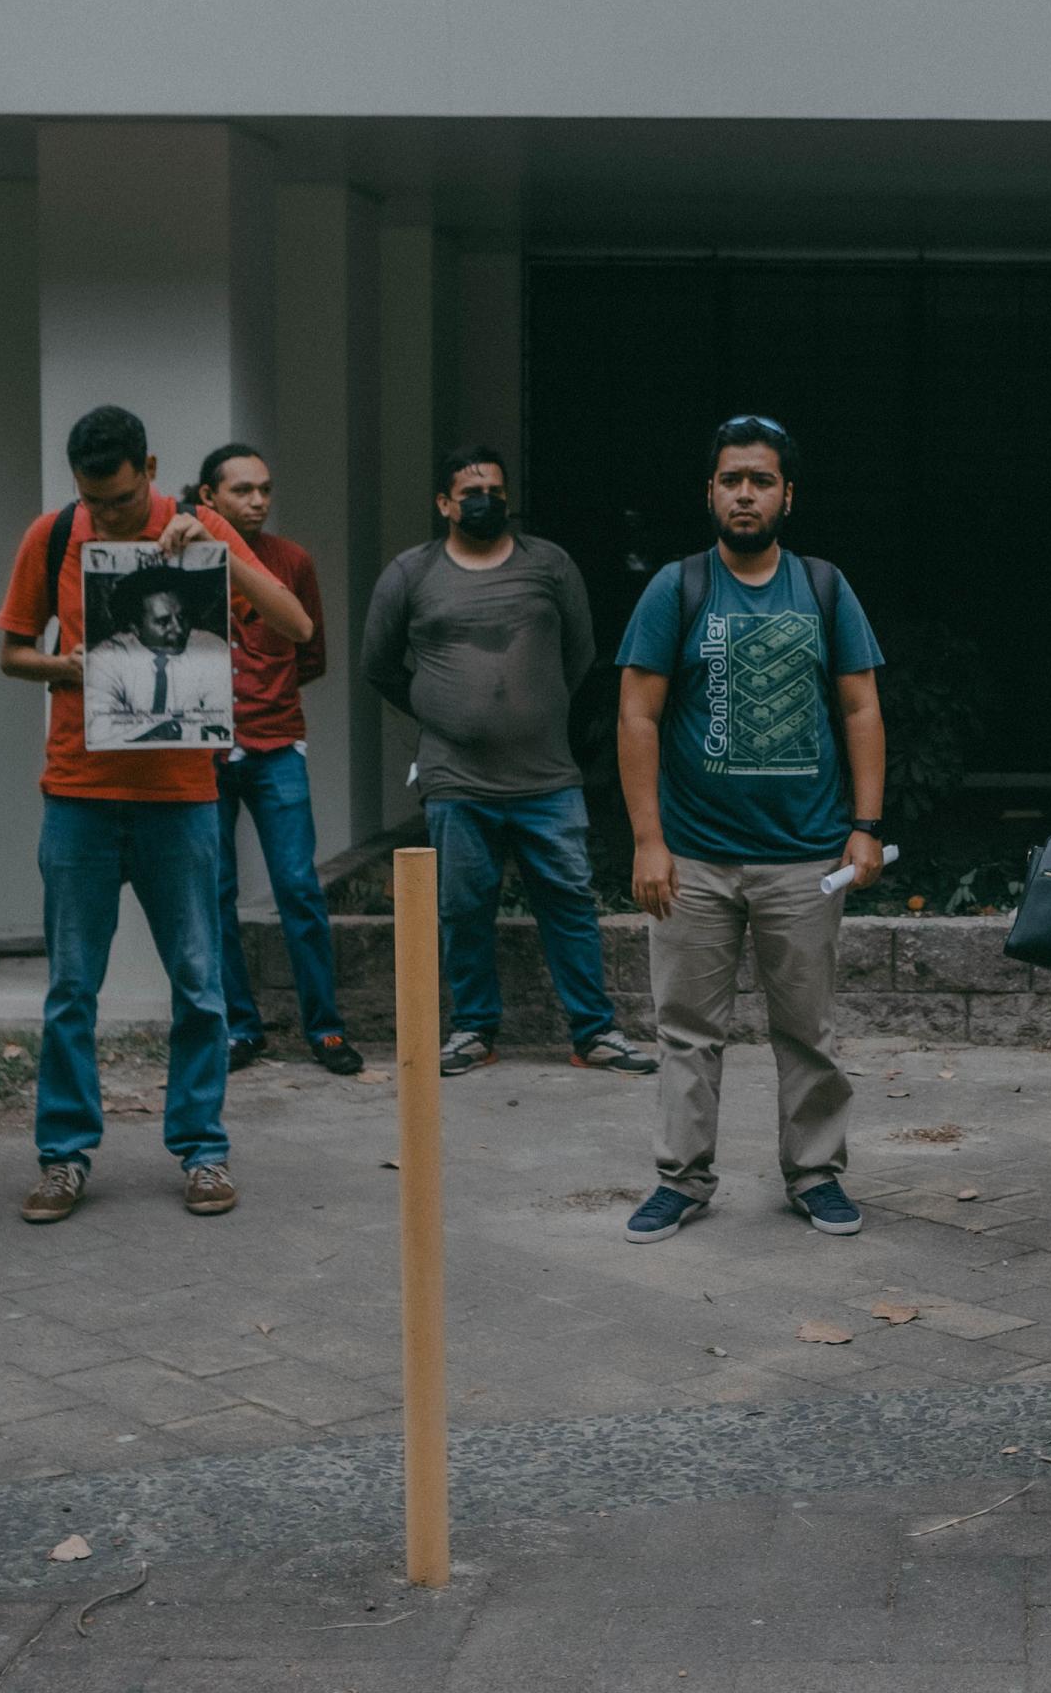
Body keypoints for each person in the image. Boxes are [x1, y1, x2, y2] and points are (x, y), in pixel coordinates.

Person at [0, 405, 312, 1224]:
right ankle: (64, 1157)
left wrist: (212, 554)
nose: (108, 515)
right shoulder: (55, 534)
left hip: (180, 799)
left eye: (124, 501)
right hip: (79, 795)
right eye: (93, 502)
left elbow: (295, 622)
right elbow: (11, 652)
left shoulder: (201, 524)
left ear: (152, 467)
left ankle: (203, 1150)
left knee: (200, 987)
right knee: (72, 988)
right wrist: (60, 666)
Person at [615, 416, 886, 1246]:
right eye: (732, 479)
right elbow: (637, 714)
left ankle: (814, 1175)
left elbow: (861, 706)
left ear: (787, 496)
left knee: (807, 1031)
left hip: (805, 858)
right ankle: (681, 1179)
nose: (745, 493)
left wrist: (866, 825)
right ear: (710, 491)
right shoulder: (677, 586)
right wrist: (648, 840)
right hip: (694, 855)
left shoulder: (826, 587)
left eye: (761, 480)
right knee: (687, 1032)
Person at [361, 445, 653, 1080]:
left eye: (495, 489)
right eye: (471, 491)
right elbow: (378, 665)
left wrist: (530, 706)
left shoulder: (550, 565)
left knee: (570, 901)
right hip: (455, 778)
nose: (486, 500)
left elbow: (581, 652)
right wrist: (439, 705)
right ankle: (473, 1031)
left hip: (546, 776)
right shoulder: (410, 573)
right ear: (444, 504)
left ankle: (594, 1033)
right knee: (464, 906)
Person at [194, 444, 360, 1077]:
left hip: (276, 746)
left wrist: (266, 700)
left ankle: (326, 1030)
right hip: (203, 754)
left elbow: (310, 653)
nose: (258, 501)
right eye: (242, 490)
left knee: (298, 888)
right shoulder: (186, 557)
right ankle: (241, 1028)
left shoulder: (292, 562)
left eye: (264, 489)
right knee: (215, 893)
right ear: (209, 498)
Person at [81, 567, 232, 741]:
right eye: (163, 622)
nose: (179, 629)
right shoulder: (105, 659)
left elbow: (222, 723)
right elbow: (99, 729)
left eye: (182, 617)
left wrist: (166, 729)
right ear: (135, 628)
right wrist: (181, 726)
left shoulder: (211, 648)